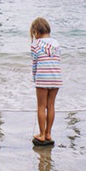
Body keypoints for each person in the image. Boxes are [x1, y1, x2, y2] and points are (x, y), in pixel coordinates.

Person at [30, 17, 62, 146]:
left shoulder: (35, 45)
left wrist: (35, 78)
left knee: (41, 106)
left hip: (43, 77)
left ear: (36, 31)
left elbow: (35, 64)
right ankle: (48, 133)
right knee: (51, 106)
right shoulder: (56, 43)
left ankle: (42, 134)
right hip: (56, 77)